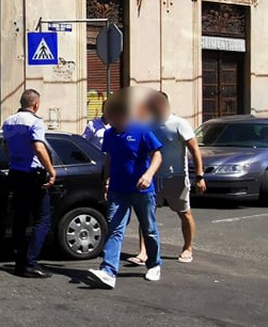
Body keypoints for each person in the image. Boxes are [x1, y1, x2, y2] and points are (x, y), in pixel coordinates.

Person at [88, 94, 163, 289]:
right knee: (115, 230)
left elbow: (157, 155)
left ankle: (154, 264)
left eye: (111, 115)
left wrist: (148, 174)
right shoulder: (110, 134)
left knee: (149, 229)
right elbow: (109, 158)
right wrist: (106, 181)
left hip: (142, 191)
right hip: (117, 190)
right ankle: (109, 271)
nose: (108, 119)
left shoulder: (141, 130)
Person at [128, 92, 205, 265]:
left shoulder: (179, 123)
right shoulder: (147, 124)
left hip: (176, 177)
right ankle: (143, 252)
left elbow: (194, 150)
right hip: (153, 178)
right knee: (146, 214)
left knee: (184, 214)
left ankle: (187, 248)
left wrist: (199, 176)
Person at [2, 89, 57, 279]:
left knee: (20, 219)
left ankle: (19, 262)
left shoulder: (8, 122)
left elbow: (6, 146)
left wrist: (13, 161)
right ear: (35, 104)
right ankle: (31, 263)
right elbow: (38, 147)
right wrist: (51, 170)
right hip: (32, 175)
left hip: (15, 173)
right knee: (43, 218)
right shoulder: (35, 122)